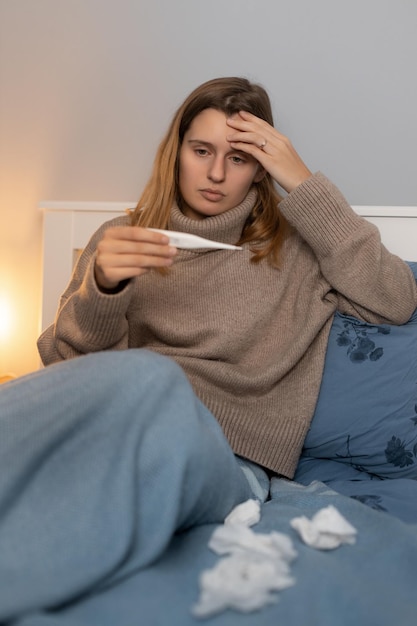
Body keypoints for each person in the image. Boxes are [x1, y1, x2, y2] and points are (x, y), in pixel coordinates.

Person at [38, 76, 417, 481]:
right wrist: (103, 290)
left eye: (237, 158)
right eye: (201, 151)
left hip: (226, 456)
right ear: (176, 152)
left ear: (260, 169)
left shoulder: (298, 250)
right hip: (119, 428)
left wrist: (303, 182)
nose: (215, 173)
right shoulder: (122, 240)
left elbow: (395, 300)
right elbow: (65, 371)